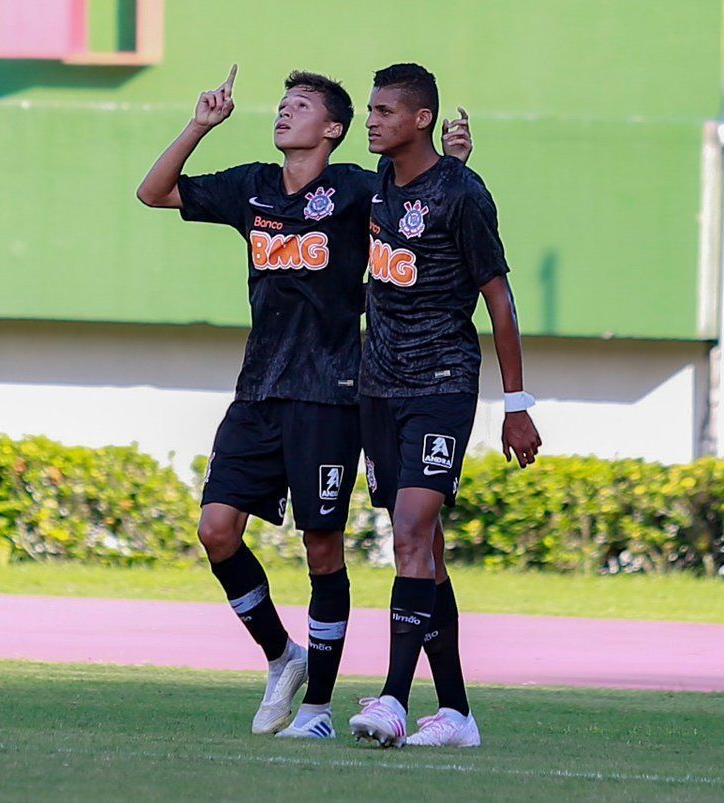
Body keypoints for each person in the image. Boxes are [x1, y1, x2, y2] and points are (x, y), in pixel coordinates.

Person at [136, 65, 473, 739]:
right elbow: (154, 192)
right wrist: (201, 123)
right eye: (282, 103)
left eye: (300, 105)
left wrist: (456, 163)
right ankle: (280, 654)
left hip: (331, 392)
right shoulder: (253, 186)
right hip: (257, 389)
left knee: (322, 547)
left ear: (334, 128)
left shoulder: (354, 189)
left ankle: (317, 708)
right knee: (215, 529)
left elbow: (421, 198)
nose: (283, 112)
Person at [347, 63, 541, 749]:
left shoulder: (464, 194)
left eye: (385, 110)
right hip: (379, 386)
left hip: (441, 381)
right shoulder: (376, 185)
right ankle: (456, 712)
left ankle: (394, 699)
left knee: (409, 529)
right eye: (369, 109)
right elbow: (413, 197)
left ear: (420, 117)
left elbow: (500, 301)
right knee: (422, 548)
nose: (371, 120)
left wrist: (517, 404)